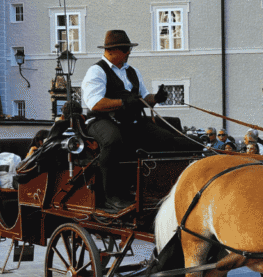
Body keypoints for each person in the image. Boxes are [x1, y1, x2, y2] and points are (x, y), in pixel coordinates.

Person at [81, 30, 198, 212]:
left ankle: (155, 188)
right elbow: (95, 103)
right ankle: (111, 196)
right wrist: (123, 102)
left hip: (131, 122)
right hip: (101, 120)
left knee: (166, 139)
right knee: (113, 141)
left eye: (129, 48)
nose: (129, 52)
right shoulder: (96, 71)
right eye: (125, 49)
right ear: (111, 50)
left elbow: (144, 98)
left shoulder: (132, 72)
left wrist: (156, 98)